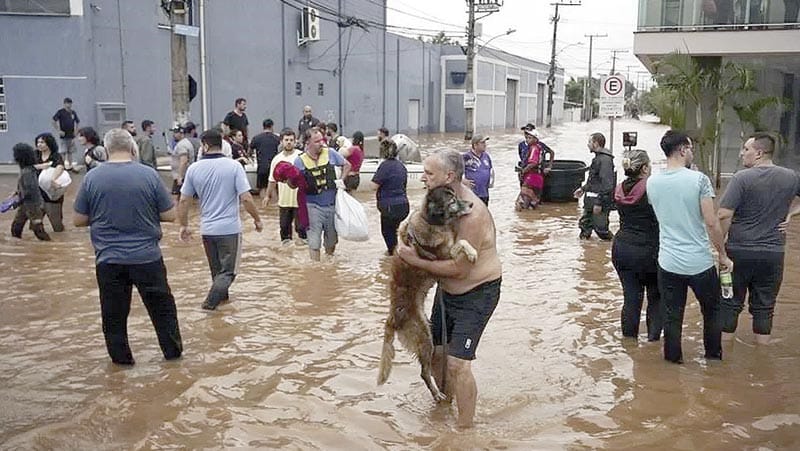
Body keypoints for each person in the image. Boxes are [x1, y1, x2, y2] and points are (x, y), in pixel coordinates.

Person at [395, 149, 502, 429]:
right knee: (436, 354)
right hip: (447, 292)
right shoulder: (440, 200)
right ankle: (443, 407)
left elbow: (460, 269)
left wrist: (414, 260)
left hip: (477, 292)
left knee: (457, 364)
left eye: (429, 173)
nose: (423, 178)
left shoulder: (472, 214)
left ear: (449, 176)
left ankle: (464, 431)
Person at [73, 128, 182, 365]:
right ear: (133, 148)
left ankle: (122, 365)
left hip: (109, 261)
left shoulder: (92, 177)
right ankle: (173, 358)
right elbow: (170, 215)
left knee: (113, 317)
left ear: (106, 149)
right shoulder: (149, 175)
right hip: (147, 258)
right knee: (163, 311)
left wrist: (104, 215)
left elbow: (78, 220)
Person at [647, 130, 732, 364]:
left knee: (672, 315)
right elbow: (712, 222)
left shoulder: (652, 181)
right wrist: (723, 255)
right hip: (699, 262)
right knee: (712, 311)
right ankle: (713, 360)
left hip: (668, 261)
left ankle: (673, 362)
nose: (692, 152)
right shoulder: (699, 180)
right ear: (683, 149)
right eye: (691, 148)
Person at [717, 133, 800, 345]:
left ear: (759, 153)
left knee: (730, 303)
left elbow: (724, 214)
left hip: (739, 251)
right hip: (773, 253)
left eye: (746, 149)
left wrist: (721, 250)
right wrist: (791, 214)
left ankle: (722, 360)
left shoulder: (741, 178)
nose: (742, 153)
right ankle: (762, 357)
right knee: (765, 307)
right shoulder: (791, 176)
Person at [178, 129, 263, 311]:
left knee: (217, 273)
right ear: (221, 145)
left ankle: (222, 308)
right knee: (228, 273)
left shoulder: (194, 169)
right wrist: (257, 219)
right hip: (230, 230)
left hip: (207, 230)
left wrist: (184, 225)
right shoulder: (233, 167)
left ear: (205, 145)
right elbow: (246, 198)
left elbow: (184, 200)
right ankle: (209, 306)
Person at [611, 149, 661, 341]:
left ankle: (629, 343)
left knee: (631, 298)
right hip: (650, 250)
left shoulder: (619, 189)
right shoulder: (653, 189)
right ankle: (653, 343)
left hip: (622, 248)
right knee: (656, 297)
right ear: (646, 168)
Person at [294, 127, 351, 261]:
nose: (321, 143)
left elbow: (347, 165)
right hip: (312, 205)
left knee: (331, 240)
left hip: (331, 205)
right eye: (317, 141)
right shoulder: (299, 161)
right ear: (308, 143)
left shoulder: (330, 153)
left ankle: (329, 262)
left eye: (322, 140)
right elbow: (293, 184)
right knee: (314, 241)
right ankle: (316, 268)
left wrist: (341, 180)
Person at [266, 129, 307, 245]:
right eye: (286, 140)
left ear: (295, 141)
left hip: (300, 201)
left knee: (302, 231)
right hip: (284, 201)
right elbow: (272, 179)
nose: (289, 142)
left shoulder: (301, 156)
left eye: (291, 140)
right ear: (281, 142)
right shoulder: (277, 159)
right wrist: (267, 196)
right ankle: (286, 255)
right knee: (284, 230)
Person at [574, 132, 615, 240]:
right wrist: (583, 189)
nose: (588, 144)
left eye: (590, 142)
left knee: (601, 230)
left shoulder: (605, 160)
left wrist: (599, 203)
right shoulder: (599, 158)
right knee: (585, 226)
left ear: (596, 143)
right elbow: (594, 181)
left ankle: (612, 247)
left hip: (598, 201)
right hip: (590, 201)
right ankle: (586, 253)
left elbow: (607, 184)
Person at [371, 139, 408, 255]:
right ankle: (399, 252)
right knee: (396, 231)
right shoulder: (401, 166)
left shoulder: (385, 166)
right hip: (404, 205)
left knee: (387, 232)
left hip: (389, 207)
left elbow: (373, 186)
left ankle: (393, 256)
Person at [10, 143, 51, 241]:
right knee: (16, 228)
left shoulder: (27, 172)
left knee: (38, 231)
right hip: (26, 204)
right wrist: (17, 192)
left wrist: (16, 202)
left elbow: (29, 191)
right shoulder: (28, 169)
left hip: (34, 206)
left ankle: (51, 246)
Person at [33, 133, 66, 232]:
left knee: (57, 226)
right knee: (35, 225)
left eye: (42, 142)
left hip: (52, 194)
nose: (39, 144)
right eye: (38, 142)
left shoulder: (55, 156)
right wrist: (41, 166)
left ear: (49, 143)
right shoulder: (35, 154)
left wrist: (53, 179)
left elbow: (60, 166)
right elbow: (27, 167)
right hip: (37, 194)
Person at [516, 128, 553, 210]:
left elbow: (533, 163)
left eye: (530, 138)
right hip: (538, 178)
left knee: (521, 205)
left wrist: (523, 171)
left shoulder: (534, 148)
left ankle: (525, 221)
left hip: (531, 177)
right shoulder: (538, 147)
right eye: (527, 137)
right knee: (533, 205)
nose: (527, 140)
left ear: (535, 139)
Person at [250, 118, 280, 198]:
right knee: (273, 188)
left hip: (261, 167)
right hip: (273, 166)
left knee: (262, 188)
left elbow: (249, 151)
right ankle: (274, 208)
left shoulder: (256, 138)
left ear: (263, 127)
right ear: (272, 127)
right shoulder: (277, 138)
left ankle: (263, 208)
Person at [462, 134, 494, 205]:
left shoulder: (486, 156)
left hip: (484, 193)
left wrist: (491, 182)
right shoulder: (466, 157)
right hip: (472, 194)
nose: (485, 145)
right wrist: (462, 181)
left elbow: (491, 170)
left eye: (485, 143)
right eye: (482, 143)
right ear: (475, 145)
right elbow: (454, 171)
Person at [52, 97, 80, 171]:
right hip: (63, 136)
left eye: (70, 103)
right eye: (67, 103)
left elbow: (77, 122)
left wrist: (76, 131)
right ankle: (62, 166)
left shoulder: (73, 112)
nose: (68, 105)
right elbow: (53, 120)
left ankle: (70, 166)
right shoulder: (60, 112)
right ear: (64, 104)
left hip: (71, 135)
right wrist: (59, 130)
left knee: (70, 152)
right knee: (63, 152)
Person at [170, 125, 193, 200]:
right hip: (183, 175)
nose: (174, 135)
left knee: (176, 199)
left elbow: (184, 161)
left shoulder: (182, 145)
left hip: (182, 176)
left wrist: (180, 177)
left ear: (181, 133)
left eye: (176, 133)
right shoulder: (183, 143)